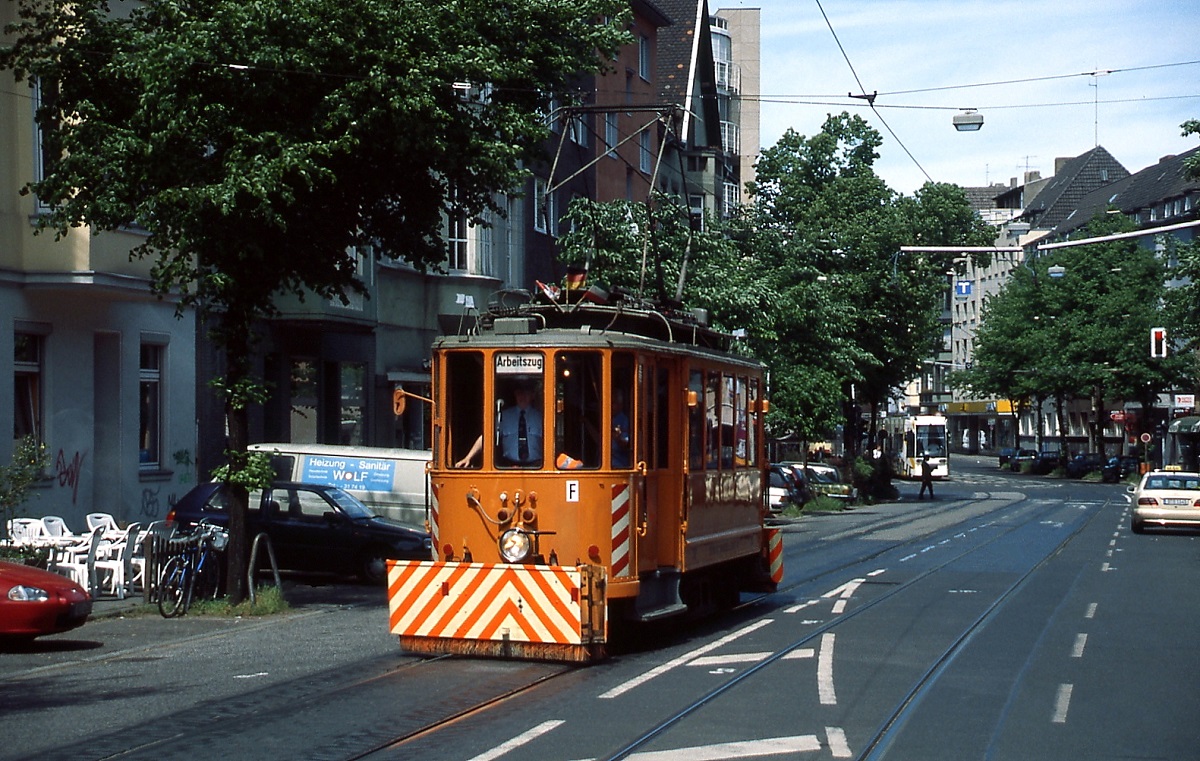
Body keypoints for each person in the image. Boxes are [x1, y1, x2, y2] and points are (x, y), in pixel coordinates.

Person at [455, 379, 543, 467]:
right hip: (509, 467)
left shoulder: (541, 418)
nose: (522, 397)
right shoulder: (504, 416)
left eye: (526, 393)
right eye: (519, 393)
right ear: (515, 395)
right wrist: (468, 457)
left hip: (536, 467)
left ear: (532, 395)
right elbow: (486, 436)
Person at [611, 389, 631, 468]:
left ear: (620, 405)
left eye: (613, 403)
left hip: (618, 465)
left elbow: (625, 443)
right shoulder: (607, 419)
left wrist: (616, 436)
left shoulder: (624, 420)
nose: (610, 406)